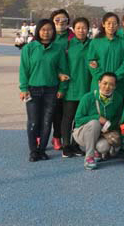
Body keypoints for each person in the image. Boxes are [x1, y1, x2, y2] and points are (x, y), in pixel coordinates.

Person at [19, 19, 69, 161]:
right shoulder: (29, 48)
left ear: (53, 32)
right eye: (43, 30)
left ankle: (42, 150)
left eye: (49, 30)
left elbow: (63, 70)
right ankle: (33, 150)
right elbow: (24, 70)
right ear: (38, 31)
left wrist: (62, 89)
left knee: (47, 122)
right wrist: (23, 88)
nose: (46, 32)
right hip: (32, 90)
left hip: (51, 90)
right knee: (33, 121)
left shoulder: (58, 49)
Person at [73, 72, 124, 170]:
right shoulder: (88, 98)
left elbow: (117, 118)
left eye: (111, 84)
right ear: (99, 83)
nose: (107, 87)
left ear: (115, 86)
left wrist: (109, 126)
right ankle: (89, 157)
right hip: (82, 132)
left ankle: (97, 151)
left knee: (104, 147)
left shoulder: (118, 98)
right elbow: (78, 119)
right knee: (94, 123)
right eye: (105, 83)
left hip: (102, 133)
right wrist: (97, 117)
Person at [60, 17, 92, 157]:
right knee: (68, 118)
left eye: (84, 28)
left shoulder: (93, 44)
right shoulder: (68, 46)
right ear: (73, 29)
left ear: (88, 29)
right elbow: (61, 66)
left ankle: (76, 144)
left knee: (81, 119)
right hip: (71, 88)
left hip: (88, 87)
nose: (81, 30)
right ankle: (66, 145)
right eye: (78, 28)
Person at [87, 12, 124, 98]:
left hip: (118, 85)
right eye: (108, 23)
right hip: (99, 84)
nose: (111, 26)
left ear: (117, 25)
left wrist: (114, 78)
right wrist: (103, 79)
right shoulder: (95, 42)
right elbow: (91, 62)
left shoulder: (123, 43)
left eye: (114, 23)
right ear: (103, 24)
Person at [49, 9, 73, 150]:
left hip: (70, 78)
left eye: (64, 20)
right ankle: (55, 136)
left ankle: (64, 137)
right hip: (52, 78)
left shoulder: (73, 38)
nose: (60, 23)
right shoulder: (47, 36)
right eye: (57, 20)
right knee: (54, 110)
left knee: (66, 111)